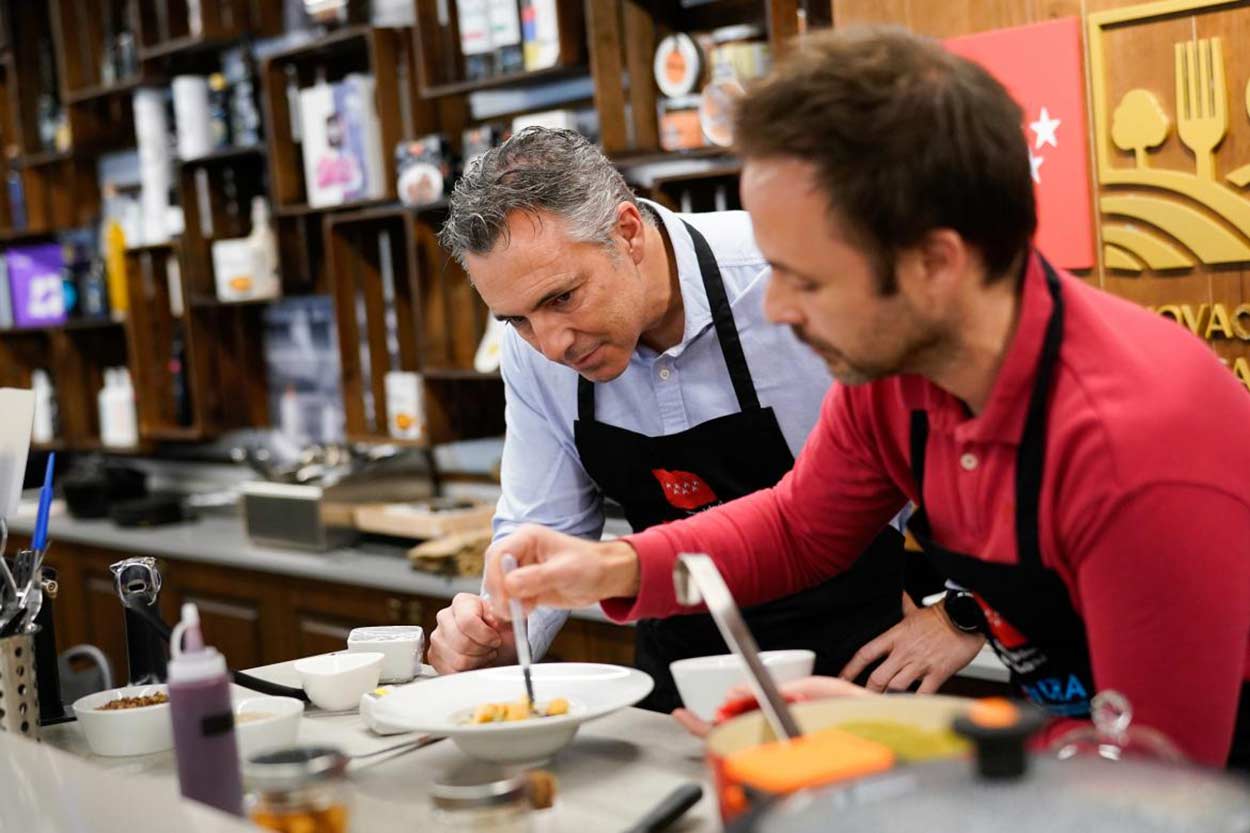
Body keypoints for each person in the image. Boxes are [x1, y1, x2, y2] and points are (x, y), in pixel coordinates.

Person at [481, 29, 1250, 768]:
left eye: (806, 279)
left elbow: (1155, 766)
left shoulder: (1137, 443)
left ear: (934, 263)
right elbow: (796, 527)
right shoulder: (894, 377)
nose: (775, 307)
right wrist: (612, 566)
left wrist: (891, 735)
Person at [426, 127, 984, 712]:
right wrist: (503, 633)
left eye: (563, 298)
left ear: (627, 232)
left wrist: (966, 610)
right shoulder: (535, 344)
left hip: (857, 663)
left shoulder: (785, 282)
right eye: (516, 320)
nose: (551, 343)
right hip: (682, 674)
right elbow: (544, 525)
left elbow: (960, 451)